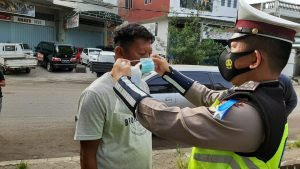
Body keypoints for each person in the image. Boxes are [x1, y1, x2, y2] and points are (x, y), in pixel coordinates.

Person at [110, 0, 300, 168]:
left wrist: (123, 82)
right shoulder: (264, 96)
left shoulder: (245, 116)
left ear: (254, 59)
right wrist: (168, 73)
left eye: (233, 48)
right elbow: (208, 97)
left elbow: (167, 120)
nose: (227, 54)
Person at [74, 24, 155, 169]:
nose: (148, 60)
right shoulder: (96, 94)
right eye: (142, 54)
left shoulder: (142, 85)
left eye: (149, 54)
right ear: (119, 53)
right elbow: (87, 154)